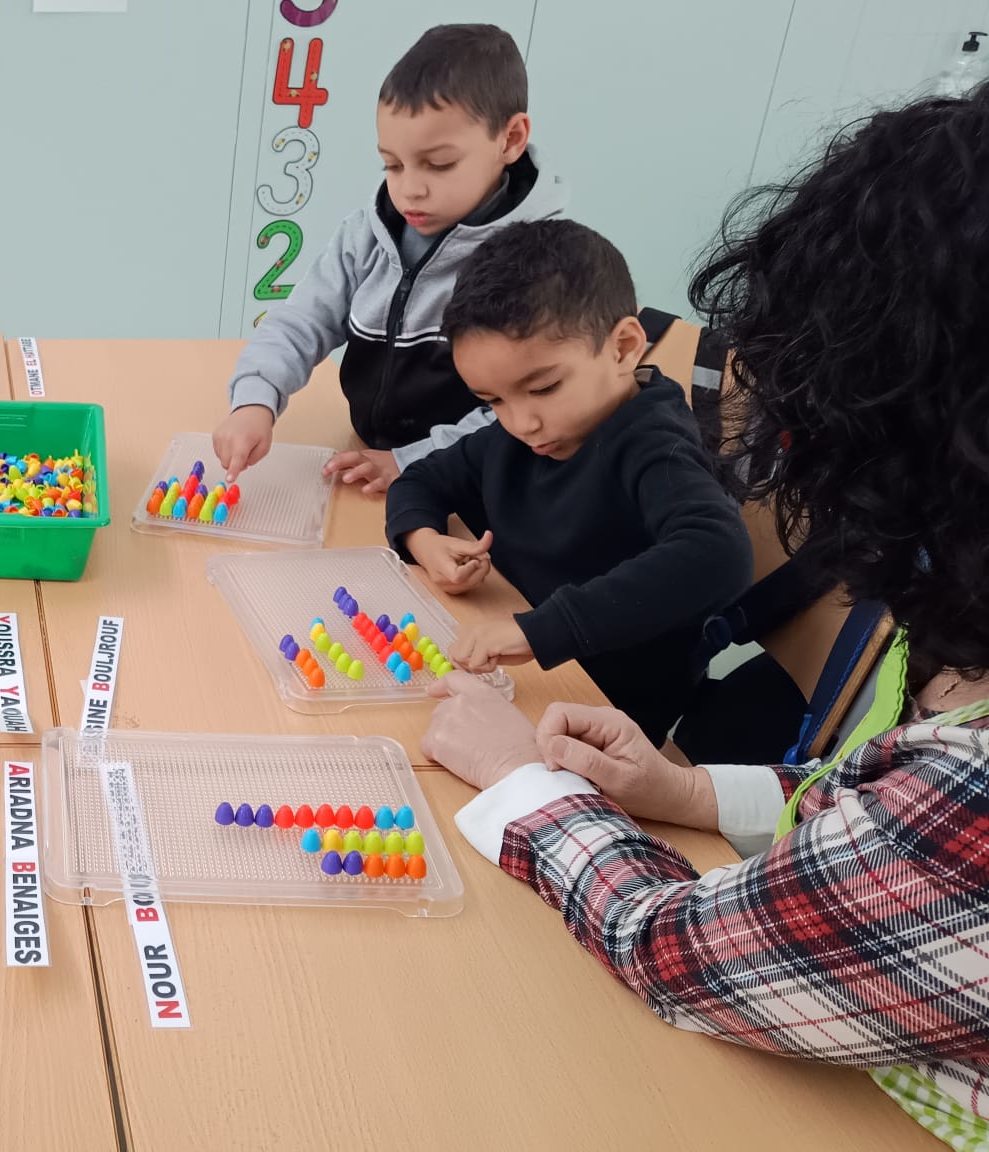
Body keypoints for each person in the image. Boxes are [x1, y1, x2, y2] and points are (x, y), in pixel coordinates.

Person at [422, 84, 989, 1148]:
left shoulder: (969, 791)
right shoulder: (957, 647)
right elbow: (875, 814)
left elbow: (676, 949)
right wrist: (683, 790)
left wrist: (522, 781)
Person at [385, 219, 750, 741]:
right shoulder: (524, 432)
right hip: (520, 666)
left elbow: (720, 554)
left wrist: (540, 631)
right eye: (493, 400)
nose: (521, 422)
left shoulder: (654, 443)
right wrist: (425, 542)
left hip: (604, 713)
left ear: (624, 348)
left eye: (544, 388)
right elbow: (421, 479)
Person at [213, 23, 566, 492]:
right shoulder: (367, 234)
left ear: (511, 138)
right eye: (392, 164)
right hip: (369, 462)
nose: (410, 189)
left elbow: (527, 412)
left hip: (466, 482)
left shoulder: (537, 264)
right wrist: (255, 399)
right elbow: (300, 321)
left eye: (439, 164)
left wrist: (411, 461)